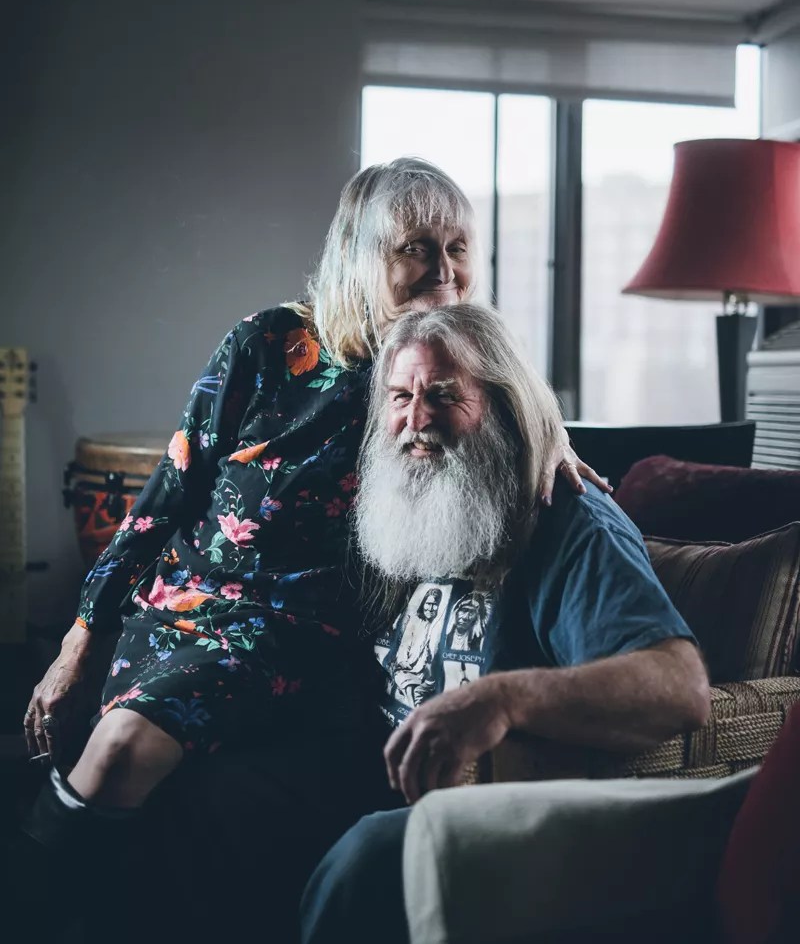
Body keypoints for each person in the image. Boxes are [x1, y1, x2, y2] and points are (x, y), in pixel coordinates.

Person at [13, 159, 608, 941]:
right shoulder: (266, 343)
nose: (444, 269)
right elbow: (166, 496)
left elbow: (523, 404)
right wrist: (80, 636)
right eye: (417, 247)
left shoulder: (444, 368)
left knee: (121, 747)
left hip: (298, 634)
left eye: (459, 246)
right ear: (361, 254)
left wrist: (555, 436)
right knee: (110, 764)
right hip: (177, 608)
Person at [299, 302, 710, 944]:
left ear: (504, 405)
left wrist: (501, 699)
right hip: (363, 768)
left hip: (488, 807)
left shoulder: (568, 519)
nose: (416, 420)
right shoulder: (396, 504)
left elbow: (679, 687)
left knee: (370, 857)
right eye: (401, 397)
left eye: (443, 395)